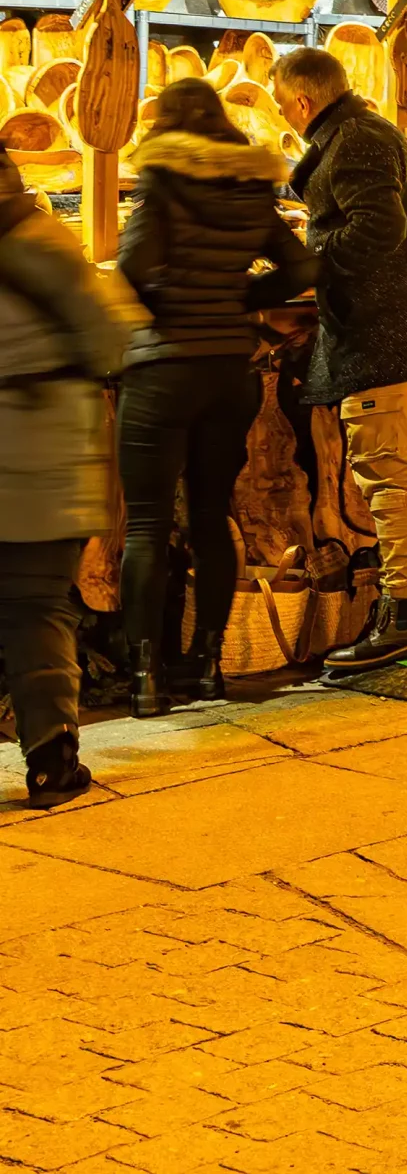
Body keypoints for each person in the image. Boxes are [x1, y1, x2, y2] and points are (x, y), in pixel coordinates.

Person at [115, 80, 318, 713]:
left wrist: (164, 313)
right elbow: (303, 268)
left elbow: (131, 267)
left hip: (162, 371)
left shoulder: (163, 181)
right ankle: (206, 667)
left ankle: (146, 680)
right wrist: (241, 304)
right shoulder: (250, 186)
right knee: (210, 519)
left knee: (146, 526)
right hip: (230, 372)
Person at [272, 46, 407, 674]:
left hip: (385, 336)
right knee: (388, 474)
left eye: (281, 105)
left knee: (387, 478)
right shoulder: (356, 135)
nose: (285, 117)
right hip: (384, 333)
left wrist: (309, 264)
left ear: (301, 99)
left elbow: (380, 229)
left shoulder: (353, 140)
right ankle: (402, 609)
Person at [0, 152, 137, 808]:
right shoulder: (45, 241)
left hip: (32, 456)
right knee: (36, 608)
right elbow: (113, 339)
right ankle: (52, 759)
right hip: (40, 461)